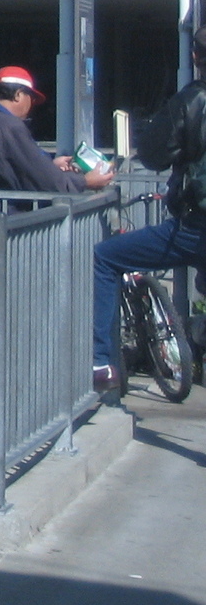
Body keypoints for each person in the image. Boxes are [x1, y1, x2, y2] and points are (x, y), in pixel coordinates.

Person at [94, 29, 206, 392]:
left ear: (194, 57)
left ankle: (101, 363)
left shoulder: (192, 100)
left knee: (106, 258)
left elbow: (156, 155)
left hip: (196, 227)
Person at [0, 65, 112, 197]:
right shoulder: (9, 126)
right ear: (18, 95)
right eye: (31, 97)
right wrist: (84, 181)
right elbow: (46, 180)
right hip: (2, 220)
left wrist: (50, 165)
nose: (32, 104)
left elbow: (21, 168)